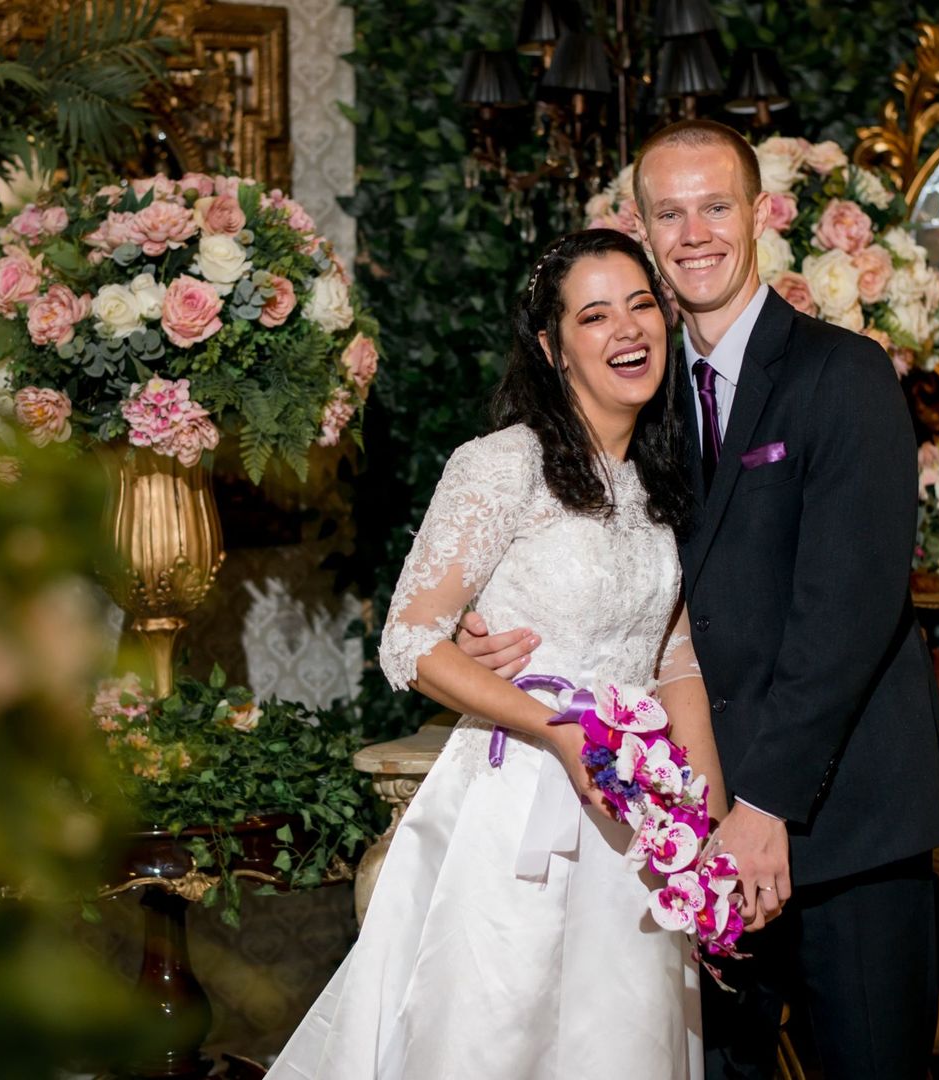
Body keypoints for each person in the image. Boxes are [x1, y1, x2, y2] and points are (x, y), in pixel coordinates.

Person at [459, 120, 939, 1078]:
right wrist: (506, 632)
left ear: (761, 214)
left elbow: (848, 612)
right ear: (642, 228)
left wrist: (764, 803)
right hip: (686, 828)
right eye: (668, 212)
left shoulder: (842, 373)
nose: (693, 233)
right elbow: (610, 573)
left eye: (715, 206)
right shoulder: (637, 398)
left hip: (838, 825)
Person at [266, 228, 717, 1079]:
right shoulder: (500, 466)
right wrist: (559, 730)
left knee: (618, 1042)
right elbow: (409, 640)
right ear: (553, 350)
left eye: (640, 305)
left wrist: (705, 825)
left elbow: (676, 662)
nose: (627, 330)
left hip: (636, 817)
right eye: (594, 316)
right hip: (518, 801)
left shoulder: (661, 480)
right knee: (492, 1034)